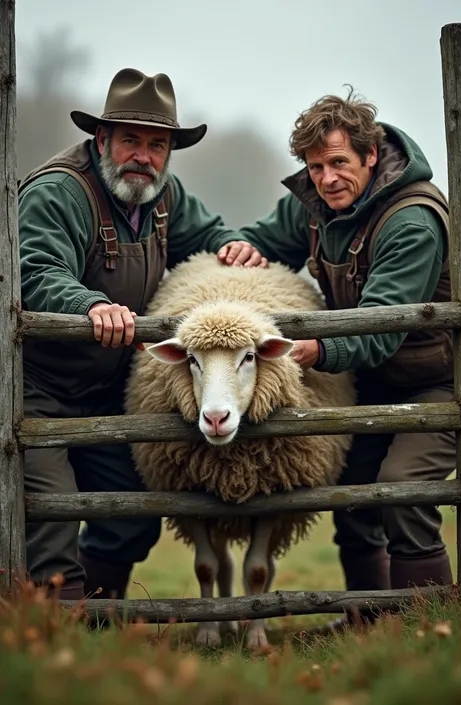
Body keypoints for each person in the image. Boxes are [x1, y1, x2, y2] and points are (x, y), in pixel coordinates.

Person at [18, 67, 266, 602]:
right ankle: (52, 632)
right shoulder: (60, 193)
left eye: (158, 145)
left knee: (133, 514)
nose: (144, 156)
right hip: (37, 391)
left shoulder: (161, 195)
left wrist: (234, 247)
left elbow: (210, 233)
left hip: (106, 396)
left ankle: (98, 623)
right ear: (102, 138)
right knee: (51, 515)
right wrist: (89, 305)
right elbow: (34, 270)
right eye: (131, 140)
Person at [219, 86, 455, 631]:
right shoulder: (317, 202)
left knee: (402, 486)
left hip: (440, 382)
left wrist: (316, 348)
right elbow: (266, 235)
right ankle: (370, 620)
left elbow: (381, 325)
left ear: (371, 155)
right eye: (316, 165)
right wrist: (246, 247)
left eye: (340, 163)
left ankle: (431, 625)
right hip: (372, 383)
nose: (327, 178)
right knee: (350, 491)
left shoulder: (411, 221)